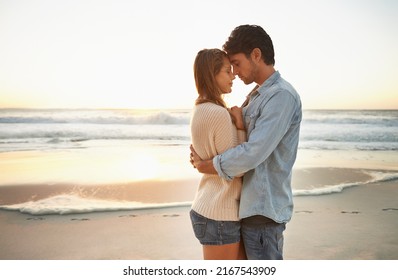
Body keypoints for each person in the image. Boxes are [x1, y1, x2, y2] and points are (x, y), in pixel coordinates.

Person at [190, 25, 302, 260]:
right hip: (247, 210)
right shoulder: (256, 95)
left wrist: (206, 165)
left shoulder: (281, 96)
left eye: (237, 64)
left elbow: (252, 153)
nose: (235, 72)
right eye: (230, 67)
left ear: (256, 55)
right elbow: (233, 141)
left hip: (263, 212)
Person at [190, 48, 247, 260]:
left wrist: (202, 163)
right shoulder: (218, 114)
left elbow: (209, 156)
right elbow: (237, 167)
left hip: (209, 207)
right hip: (219, 214)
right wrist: (240, 125)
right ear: (212, 75)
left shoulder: (199, 109)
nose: (233, 76)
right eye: (227, 71)